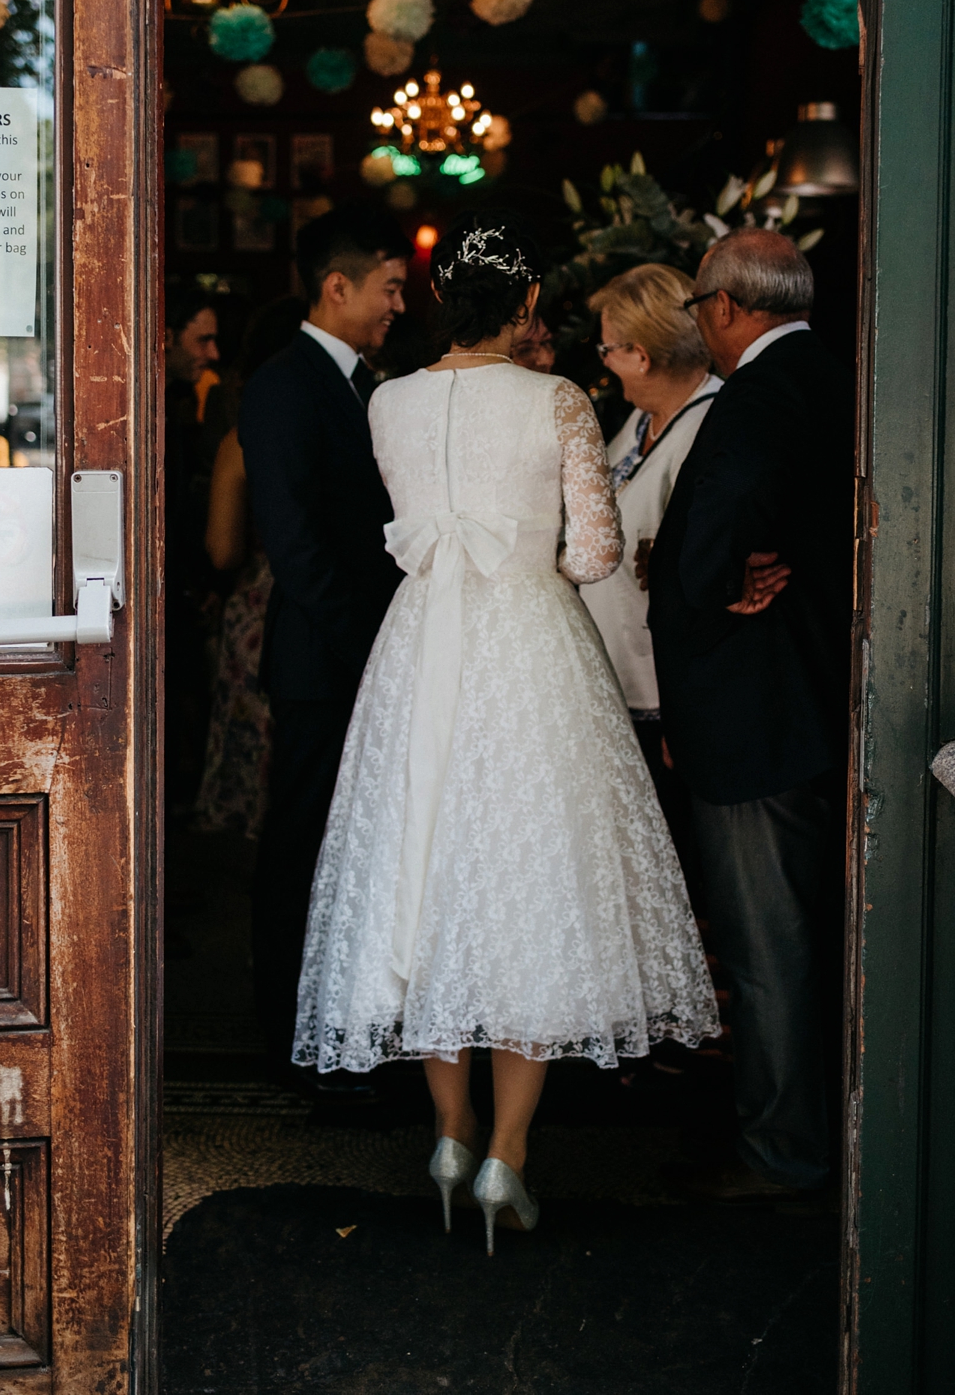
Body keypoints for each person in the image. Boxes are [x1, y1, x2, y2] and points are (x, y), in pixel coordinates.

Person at [292, 212, 719, 1251]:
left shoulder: (387, 400)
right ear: (526, 306)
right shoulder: (560, 398)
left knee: (430, 870)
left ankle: (450, 1132)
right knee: (532, 880)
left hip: (420, 648)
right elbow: (595, 554)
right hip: (529, 648)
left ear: (443, 301)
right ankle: (508, 1155)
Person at [646, 229, 852, 1200]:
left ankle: (783, 1153)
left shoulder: (763, 392)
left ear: (725, 306)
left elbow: (715, 522)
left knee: (767, 944)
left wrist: (712, 575)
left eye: (699, 308)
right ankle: (795, 1138)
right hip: (792, 699)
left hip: (754, 709)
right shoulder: (823, 372)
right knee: (792, 933)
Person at [239, 209, 409, 1079]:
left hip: (362, 655)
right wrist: (371, 645)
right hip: (322, 662)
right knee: (302, 849)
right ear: (335, 287)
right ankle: (289, 1037)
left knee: (355, 850)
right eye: (389, 287)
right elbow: (296, 545)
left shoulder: (364, 382)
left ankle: (344, 1026)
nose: (399, 303)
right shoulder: (283, 385)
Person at [580, 263, 721, 876]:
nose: (603, 362)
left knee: (671, 861)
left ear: (639, 354)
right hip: (619, 677)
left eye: (608, 348)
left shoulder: (708, 423)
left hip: (666, 693)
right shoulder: (638, 421)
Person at [195, 299, 305, 839]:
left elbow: (221, 548)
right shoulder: (348, 427)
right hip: (327, 602)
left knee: (250, 724)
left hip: (258, 607)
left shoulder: (240, 440)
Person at [164, 290, 221, 812]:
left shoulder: (180, 409)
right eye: (201, 339)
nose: (212, 353)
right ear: (164, 338)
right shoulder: (152, 414)